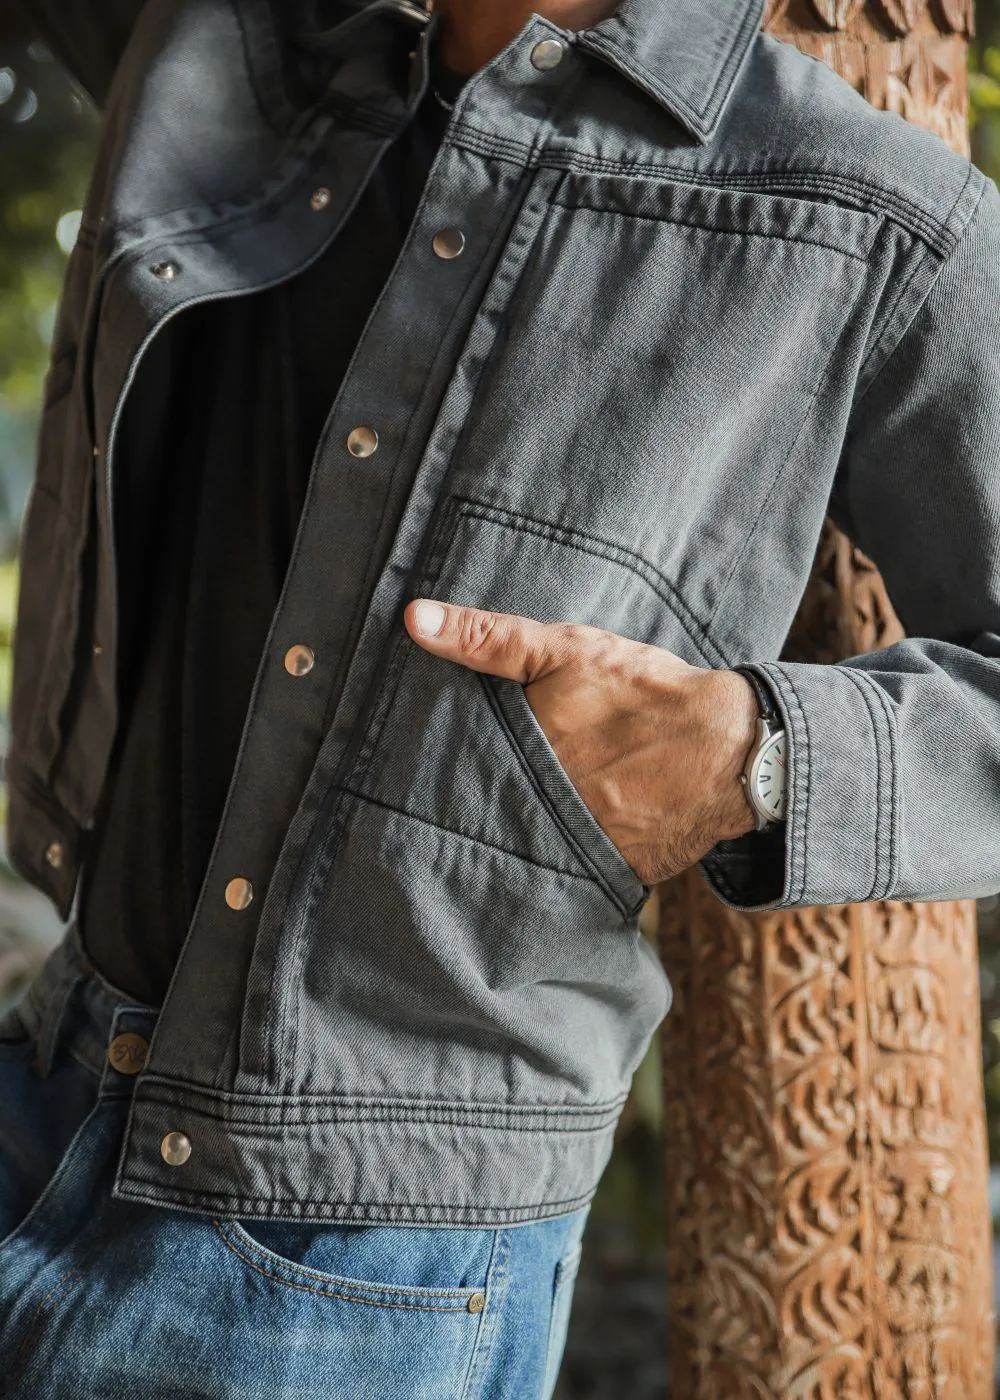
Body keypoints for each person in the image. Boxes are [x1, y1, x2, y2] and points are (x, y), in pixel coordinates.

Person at [1, 0, 999, 1394]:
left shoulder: (871, 214)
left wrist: (748, 757)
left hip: (366, 1254)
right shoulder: (247, 44)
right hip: (46, 1072)